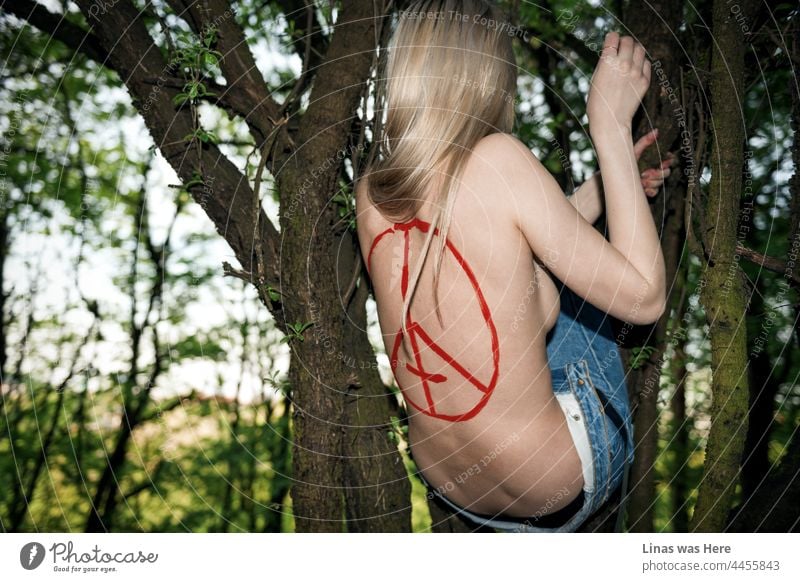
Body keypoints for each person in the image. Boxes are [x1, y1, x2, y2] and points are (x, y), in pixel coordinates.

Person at [354, 0, 672, 533]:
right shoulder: (498, 156)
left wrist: (605, 192)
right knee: (569, 289)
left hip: (456, 489)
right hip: (558, 485)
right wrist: (611, 127)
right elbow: (644, 301)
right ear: (489, 76)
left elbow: (493, 244)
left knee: (533, 277)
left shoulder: (373, 193)